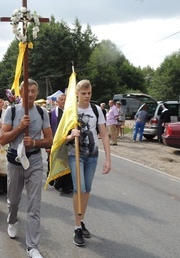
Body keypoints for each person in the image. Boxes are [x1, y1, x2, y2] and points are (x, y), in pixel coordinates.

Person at [0, 79, 53, 258]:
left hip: (35, 161)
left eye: (33, 91)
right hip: (15, 160)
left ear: (37, 93)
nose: (30, 94)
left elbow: (49, 139)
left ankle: (32, 246)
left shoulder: (41, 112)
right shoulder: (12, 111)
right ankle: (12, 220)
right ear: (20, 92)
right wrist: (20, 127)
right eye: (27, 91)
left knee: (34, 205)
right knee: (13, 201)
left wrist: (35, 142)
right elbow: (2, 139)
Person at [63, 79, 111, 247]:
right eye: (83, 93)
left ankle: (81, 219)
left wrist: (108, 159)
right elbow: (60, 137)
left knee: (87, 190)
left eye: (89, 93)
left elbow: (104, 135)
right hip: (75, 155)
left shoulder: (97, 110)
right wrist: (71, 135)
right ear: (77, 94)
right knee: (79, 188)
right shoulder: (71, 111)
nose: (86, 96)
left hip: (93, 155)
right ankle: (77, 227)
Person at [49, 94, 73, 193]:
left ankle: (66, 186)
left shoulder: (71, 113)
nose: (63, 101)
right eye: (61, 99)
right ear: (57, 101)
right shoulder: (52, 114)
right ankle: (57, 181)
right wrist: (48, 145)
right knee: (56, 162)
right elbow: (49, 130)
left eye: (65, 99)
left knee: (67, 163)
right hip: (56, 142)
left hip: (69, 143)